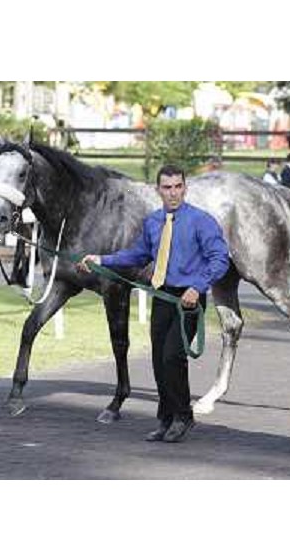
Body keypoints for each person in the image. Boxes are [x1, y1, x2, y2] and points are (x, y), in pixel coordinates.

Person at [78, 164, 230, 443]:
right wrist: (102, 260)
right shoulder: (153, 222)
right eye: (167, 187)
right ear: (158, 190)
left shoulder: (202, 221)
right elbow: (138, 254)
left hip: (188, 301)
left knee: (173, 356)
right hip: (162, 297)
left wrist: (197, 286)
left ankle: (183, 416)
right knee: (159, 360)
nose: (173, 193)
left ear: (185, 187)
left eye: (177, 187)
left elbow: (220, 258)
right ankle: (165, 419)